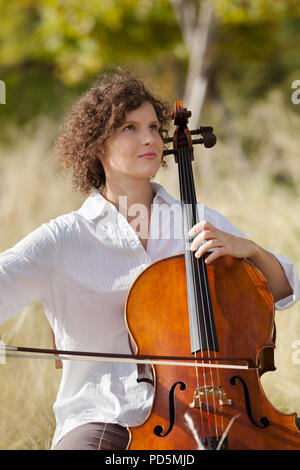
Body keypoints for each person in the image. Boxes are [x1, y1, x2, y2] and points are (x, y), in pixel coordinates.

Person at [0, 68, 298, 450]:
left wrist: (251, 251)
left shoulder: (196, 220)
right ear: (96, 144)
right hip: (104, 416)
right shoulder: (64, 238)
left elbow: (284, 290)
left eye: (154, 127)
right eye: (129, 128)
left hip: (212, 411)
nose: (150, 139)